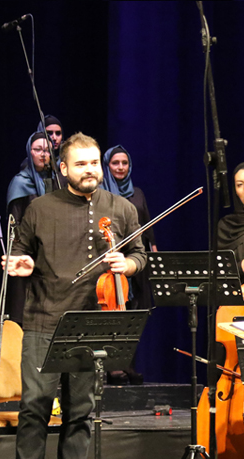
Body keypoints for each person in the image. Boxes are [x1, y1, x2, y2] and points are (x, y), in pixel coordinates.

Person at [1, 132, 147, 459]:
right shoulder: (39, 208)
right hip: (44, 320)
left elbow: (140, 253)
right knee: (34, 408)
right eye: (81, 164)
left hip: (93, 322)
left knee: (80, 412)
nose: (90, 170)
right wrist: (22, 265)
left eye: (94, 163)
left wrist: (129, 265)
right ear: (63, 168)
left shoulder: (120, 208)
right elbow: (21, 253)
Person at [101, 145, 156, 385]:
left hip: (135, 259)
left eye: (124, 163)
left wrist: (152, 250)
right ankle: (111, 366)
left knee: (133, 315)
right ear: (107, 166)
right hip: (111, 260)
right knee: (112, 314)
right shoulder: (101, 193)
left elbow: (147, 226)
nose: (121, 167)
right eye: (115, 163)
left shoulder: (137, 193)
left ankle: (128, 364)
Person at [4, 132, 54, 326]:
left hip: (51, 253)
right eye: (37, 150)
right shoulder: (20, 182)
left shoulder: (56, 181)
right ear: (29, 152)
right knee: (23, 310)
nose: (43, 154)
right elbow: (14, 223)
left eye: (47, 150)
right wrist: (20, 252)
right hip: (26, 253)